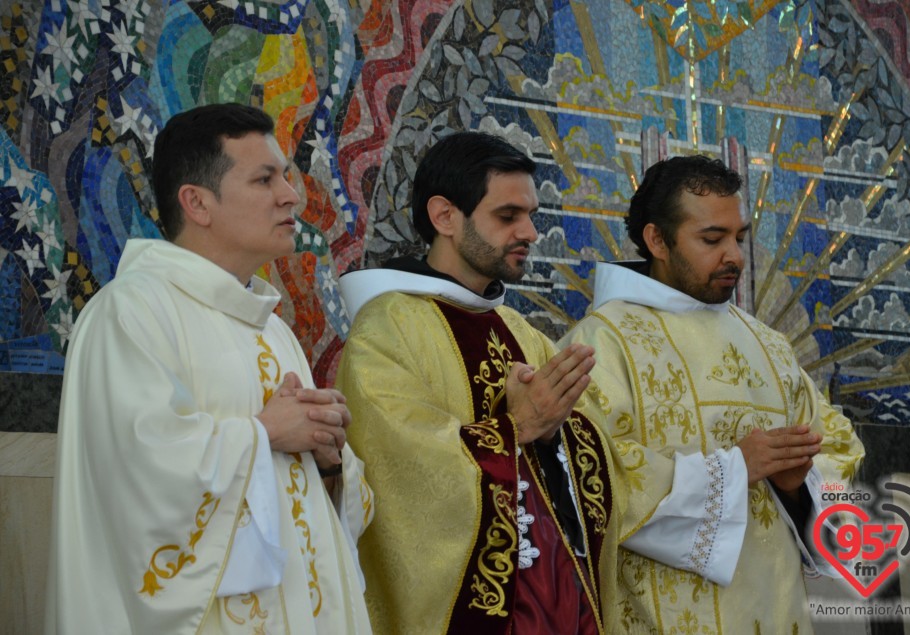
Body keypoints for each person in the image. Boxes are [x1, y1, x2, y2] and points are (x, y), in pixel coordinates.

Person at [46, 103, 374, 634]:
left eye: (286, 177)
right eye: (265, 179)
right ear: (197, 202)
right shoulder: (129, 314)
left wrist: (331, 459)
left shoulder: (273, 329)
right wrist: (264, 432)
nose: (291, 195)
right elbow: (138, 477)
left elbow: (318, 508)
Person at [335, 131, 639, 633]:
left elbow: (596, 462)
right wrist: (515, 427)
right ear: (445, 216)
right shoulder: (388, 327)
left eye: (531, 215)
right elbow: (399, 473)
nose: (530, 232)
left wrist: (560, 436)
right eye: (507, 216)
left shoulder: (522, 333)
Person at [561, 155, 865, 633]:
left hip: (776, 609)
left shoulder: (769, 346)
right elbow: (586, 475)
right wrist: (733, 470)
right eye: (712, 239)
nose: (736, 256)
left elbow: (835, 448)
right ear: (657, 240)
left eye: (739, 237)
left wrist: (799, 488)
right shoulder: (602, 343)